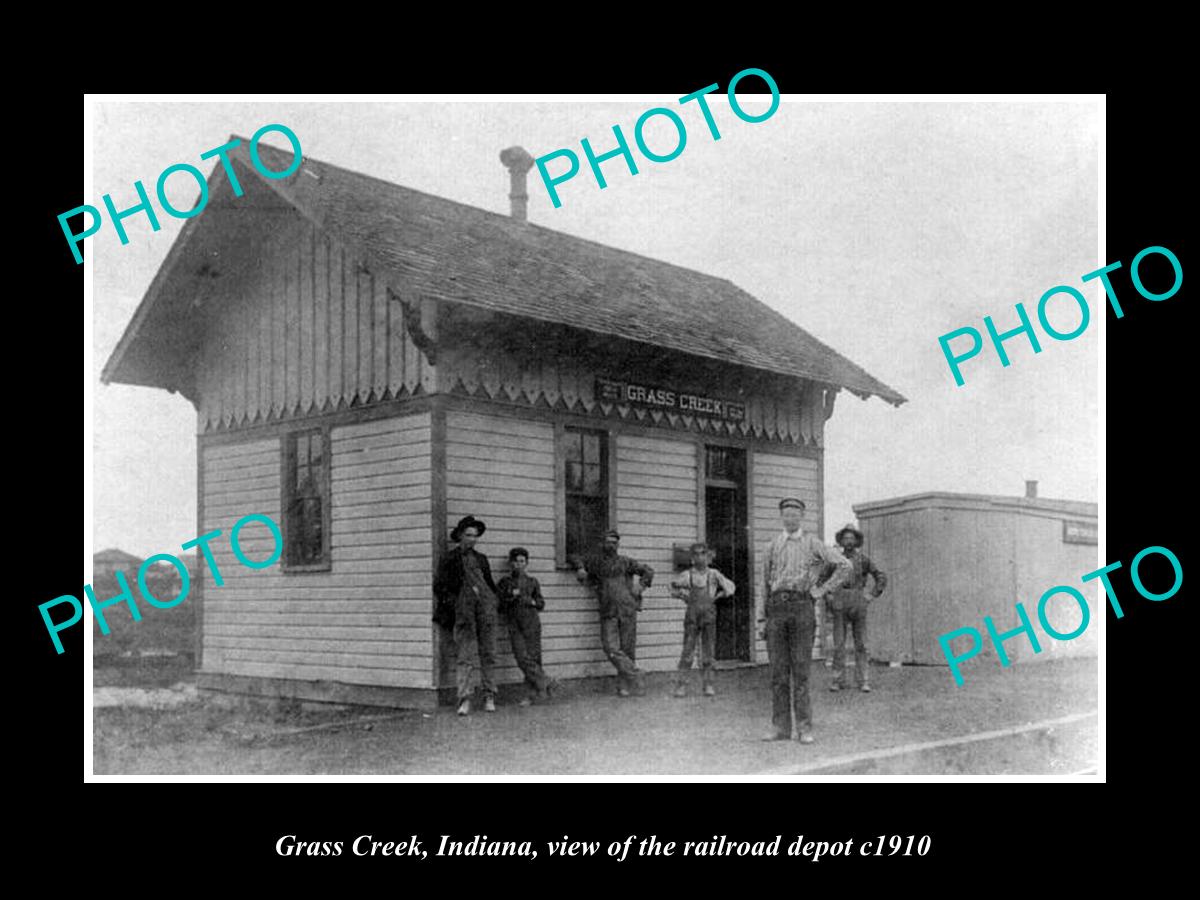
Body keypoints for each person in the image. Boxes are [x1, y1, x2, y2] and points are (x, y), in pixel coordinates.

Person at [759, 498, 851, 743]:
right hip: (777, 609)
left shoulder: (812, 543)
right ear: (781, 517)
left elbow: (844, 565)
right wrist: (761, 619)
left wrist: (819, 591)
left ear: (802, 516)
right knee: (778, 673)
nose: (790, 518)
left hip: (802, 608)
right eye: (786, 514)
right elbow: (763, 585)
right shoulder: (772, 546)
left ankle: (804, 728)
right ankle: (780, 727)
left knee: (800, 670)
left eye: (795, 514)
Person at [574, 530, 654, 697]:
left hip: (627, 609)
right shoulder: (596, 562)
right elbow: (575, 556)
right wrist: (581, 568)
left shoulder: (626, 562)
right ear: (602, 544)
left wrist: (641, 586)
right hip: (608, 609)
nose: (610, 545)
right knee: (610, 647)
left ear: (618, 545)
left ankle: (624, 686)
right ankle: (637, 675)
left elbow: (648, 571)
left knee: (627, 649)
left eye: (613, 542)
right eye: (607, 542)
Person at [433, 515, 500, 716]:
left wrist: (493, 602)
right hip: (464, 612)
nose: (472, 539)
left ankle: (489, 695)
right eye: (469, 535)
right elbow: (439, 587)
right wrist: (456, 604)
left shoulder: (481, 559)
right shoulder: (450, 558)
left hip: (485, 611)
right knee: (465, 655)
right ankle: (465, 698)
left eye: (475, 536)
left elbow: (489, 584)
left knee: (488, 653)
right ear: (460, 535)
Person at [822, 523, 888, 693]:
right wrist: (828, 595)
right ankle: (837, 680)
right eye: (845, 538)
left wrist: (872, 594)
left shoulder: (864, 559)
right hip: (840, 600)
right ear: (841, 541)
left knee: (862, 644)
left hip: (858, 600)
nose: (848, 541)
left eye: (852, 538)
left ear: (857, 541)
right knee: (839, 644)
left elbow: (880, 575)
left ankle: (864, 680)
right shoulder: (834, 559)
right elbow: (821, 579)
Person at [670, 542, 735, 698]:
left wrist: (717, 596)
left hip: (708, 616)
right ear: (692, 557)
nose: (700, 557)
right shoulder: (688, 575)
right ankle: (681, 685)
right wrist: (683, 596)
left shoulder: (713, 574)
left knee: (708, 651)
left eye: (703, 554)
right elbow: (672, 587)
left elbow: (730, 587)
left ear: (708, 556)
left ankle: (708, 684)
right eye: (696, 554)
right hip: (692, 615)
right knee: (688, 651)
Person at [496, 547, 558, 706]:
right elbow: (499, 605)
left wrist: (531, 601)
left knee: (534, 658)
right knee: (521, 657)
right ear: (511, 563)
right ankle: (547, 681)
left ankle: (532, 695)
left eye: (522, 561)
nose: (519, 564)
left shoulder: (532, 582)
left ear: (526, 563)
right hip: (514, 623)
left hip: (531, 622)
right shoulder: (505, 582)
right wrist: (511, 597)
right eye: (516, 561)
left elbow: (541, 603)